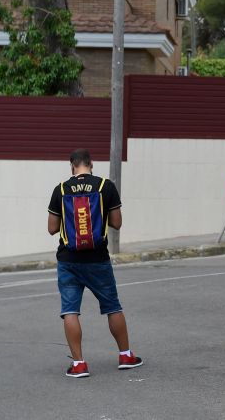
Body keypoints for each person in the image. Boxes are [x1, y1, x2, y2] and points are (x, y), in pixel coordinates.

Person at [46, 148, 143, 378]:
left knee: (70, 311)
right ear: (91, 164)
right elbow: (117, 223)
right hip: (98, 258)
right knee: (112, 306)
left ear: (72, 166)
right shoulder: (105, 186)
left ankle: (79, 364)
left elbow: (51, 228)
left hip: (68, 260)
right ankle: (125, 355)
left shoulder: (60, 189)